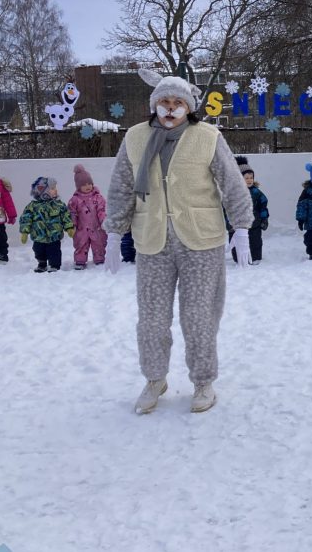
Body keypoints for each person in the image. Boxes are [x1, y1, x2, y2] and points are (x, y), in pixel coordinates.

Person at [104, 69, 254, 415]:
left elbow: (232, 182)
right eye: (164, 101)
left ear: (189, 107)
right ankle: (154, 378)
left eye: (178, 102)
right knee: (152, 319)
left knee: (198, 316)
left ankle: (203, 381)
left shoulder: (208, 136)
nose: (170, 108)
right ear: (154, 104)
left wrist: (242, 226)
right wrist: (113, 231)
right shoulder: (135, 137)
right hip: (152, 239)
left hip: (200, 240)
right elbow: (122, 186)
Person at [19, 176, 74, 272]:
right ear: (43, 191)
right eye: (52, 188)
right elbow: (26, 218)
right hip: (38, 236)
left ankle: (54, 265)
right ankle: (42, 263)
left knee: (54, 252)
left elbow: (66, 216)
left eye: (55, 188)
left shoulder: (59, 204)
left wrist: (69, 227)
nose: (56, 190)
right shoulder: (33, 206)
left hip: (54, 236)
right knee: (38, 251)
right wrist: (24, 232)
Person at [229, 157, 268, 265]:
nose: (250, 180)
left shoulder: (256, 192)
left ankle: (255, 258)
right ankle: (239, 259)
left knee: (255, 241)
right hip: (237, 225)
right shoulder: (233, 193)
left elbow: (263, 206)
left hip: (254, 223)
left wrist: (264, 219)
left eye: (251, 177)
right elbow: (227, 209)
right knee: (237, 241)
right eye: (246, 178)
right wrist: (229, 223)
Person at [68, 164, 107, 269]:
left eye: (89, 183)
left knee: (99, 243)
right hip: (82, 228)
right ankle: (80, 261)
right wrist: (73, 225)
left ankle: (99, 259)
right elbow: (72, 213)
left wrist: (104, 220)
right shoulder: (75, 200)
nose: (88, 186)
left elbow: (102, 210)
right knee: (81, 244)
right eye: (84, 184)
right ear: (78, 186)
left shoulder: (98, 197)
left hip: (96, 227)